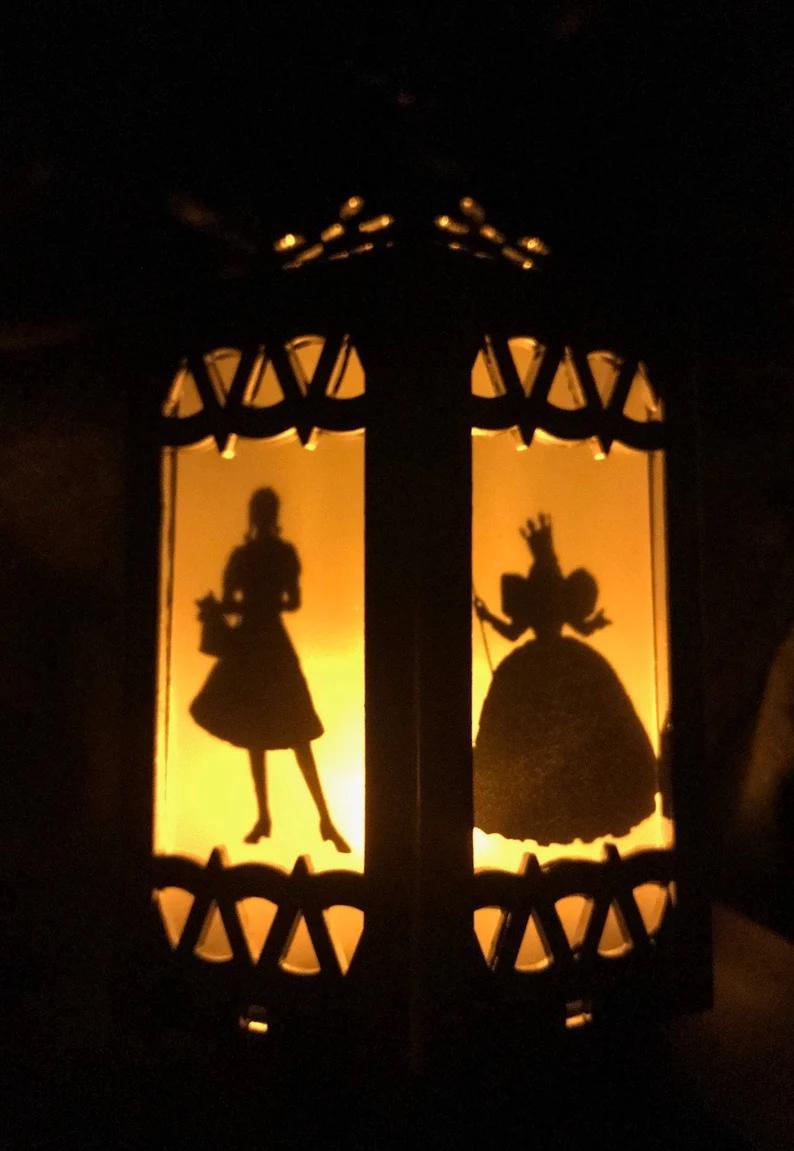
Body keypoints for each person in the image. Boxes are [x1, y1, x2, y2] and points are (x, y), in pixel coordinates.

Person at [474, 513, 657, 845]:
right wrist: (487, 616)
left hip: (533, 668)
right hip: (551, 664)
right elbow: (570, 624)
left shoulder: (543, 581)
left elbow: (515, 632)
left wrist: (488, 616)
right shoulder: (551, 581)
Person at [190, 487, 350, 851]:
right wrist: (264, 603)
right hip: (268, 643)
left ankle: (300, 818)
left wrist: (226, 609)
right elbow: (292, 602)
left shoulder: (245, 556)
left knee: (278, 732)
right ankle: (300, 818)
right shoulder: (281, 554)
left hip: (253, 645)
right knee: (277, 733)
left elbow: (236, 602)